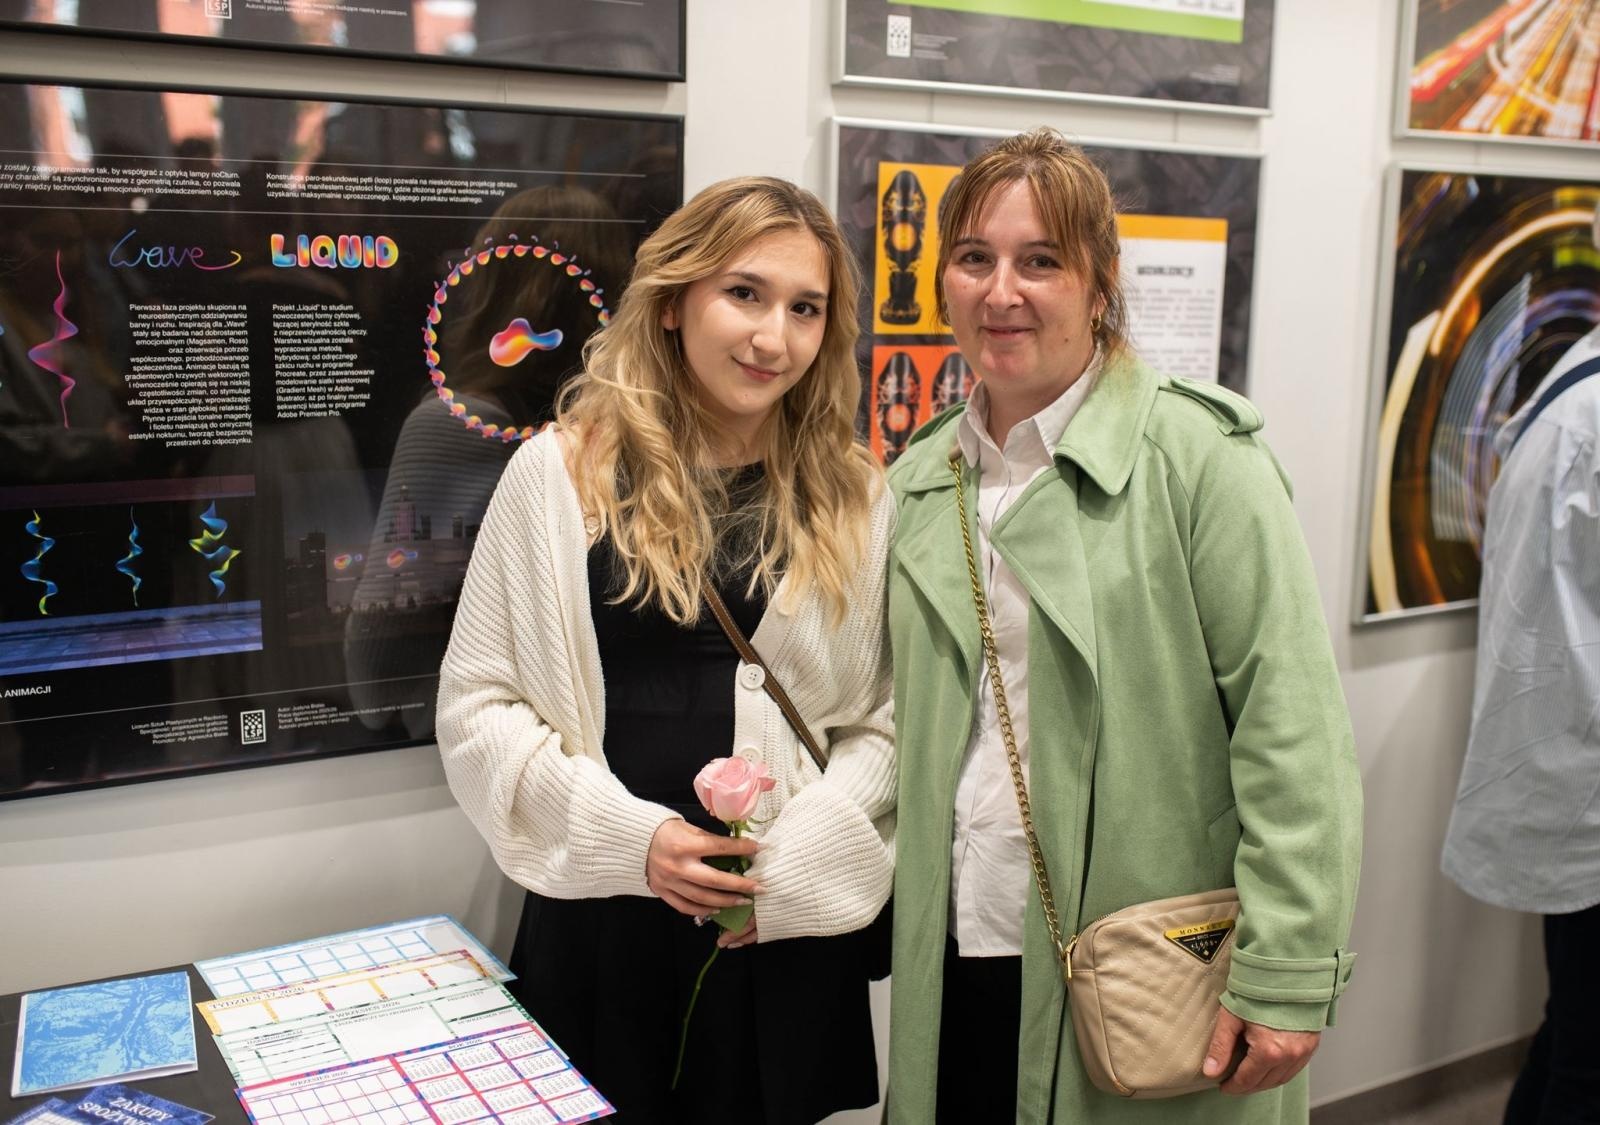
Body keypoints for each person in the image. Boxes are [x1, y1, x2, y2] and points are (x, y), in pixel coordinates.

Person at [882, 128, 1363, 1123]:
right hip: (961, 945)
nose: (999, 292)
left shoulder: (1199, 460)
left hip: (1148, 965)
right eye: (974, 258)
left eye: (1040, 261)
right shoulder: (920, 477)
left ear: (1100, 285)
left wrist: (1285, 973)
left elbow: (1293, 733)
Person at [436, 176, 895, 1124]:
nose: (774, 338)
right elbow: (477, 709)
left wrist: (796, 869)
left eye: (805, 309)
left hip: (776, 928)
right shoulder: (562, 474)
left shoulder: (854, 495)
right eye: (746, 294)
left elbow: (885, 723)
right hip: (606, 923)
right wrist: (633, 842)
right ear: (678, 299)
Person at [1441, 207, 1600, 1125]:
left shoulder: (1569, 386)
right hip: (1582, 783)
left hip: (1562, 773)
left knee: (1575, 1028)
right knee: (1587, 1053)